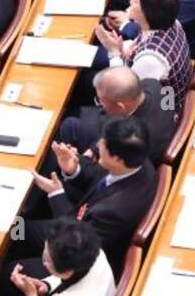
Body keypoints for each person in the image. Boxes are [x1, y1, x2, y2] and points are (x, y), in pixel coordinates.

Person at [22, 115, 158, 274]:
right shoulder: (137, 163)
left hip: (77, 259)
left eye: (103, 144)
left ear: (117, 159)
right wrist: (72, 169)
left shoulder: (115, 211)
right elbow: (99, 174)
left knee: (18, 231)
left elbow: (74, 238)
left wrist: (56, 193)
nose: (98, 144)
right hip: (82, 215)